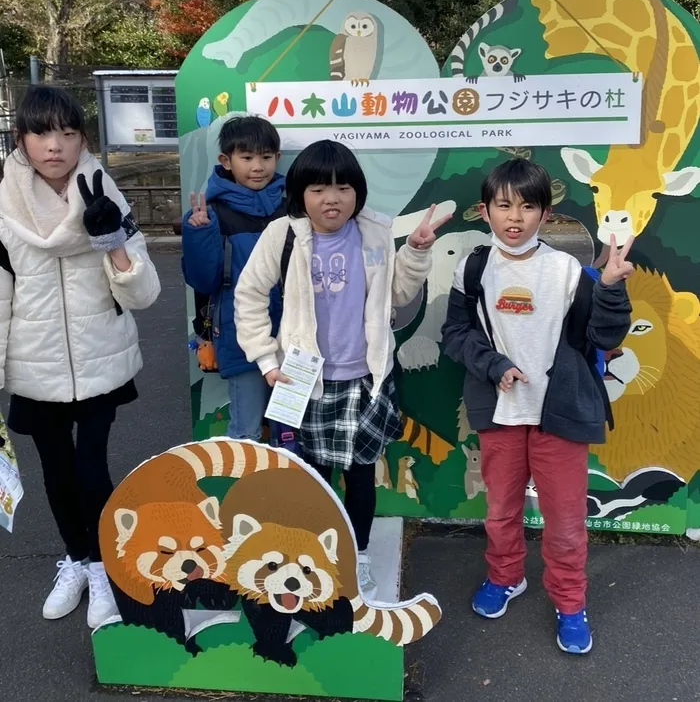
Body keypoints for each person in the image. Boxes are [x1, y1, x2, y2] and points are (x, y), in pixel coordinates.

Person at [234, 139, 450, 597]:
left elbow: (397, 294)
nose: (331, 198)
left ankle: (359, 555)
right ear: (299, 193)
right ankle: (311, 556)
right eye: (317, 188)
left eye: (343, 187)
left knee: (359, 474)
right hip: (301, 379)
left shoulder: (375, 232)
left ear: (358, 192)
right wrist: (267, 361)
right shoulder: (283, 235)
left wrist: (413, 252)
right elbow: (249, 295)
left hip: (364, 379)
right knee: (311, 477)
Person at [441, 158, 633, 654]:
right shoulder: (473, 267)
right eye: (504, 205)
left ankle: (571, 603)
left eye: (528, 206)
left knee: (566, 522)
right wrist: (493, 365)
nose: (515, 217)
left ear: (545, 215)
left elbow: (605, 337)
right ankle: (505, 577)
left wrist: (610, 288)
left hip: (559, 416)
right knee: (501, 510)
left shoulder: (568, 270)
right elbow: (455, 334)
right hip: (500, 414)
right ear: (485, 211)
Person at [0, 85, 160, 626]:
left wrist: (112, 240)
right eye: (42, 132)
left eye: (69, 133)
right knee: (57, 472)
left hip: (100, 360)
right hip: (34, 365)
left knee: (92, 469)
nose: (56, 145)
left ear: (82, 140)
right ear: (22, 139)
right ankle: (77, 559)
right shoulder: (2, 205)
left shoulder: (104, 192)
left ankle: (105, 570)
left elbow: (143, 294)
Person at [181, 116, 285, 441]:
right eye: (247, 157)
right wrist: (199, 234)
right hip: (241, 337)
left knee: (290, 433)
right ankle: (245, 492)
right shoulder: (211, 214)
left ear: (277, 158)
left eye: (266, 157)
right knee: (246, 432)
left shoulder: (293, 206)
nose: (258, 166)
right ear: (226, 161)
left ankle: (292, 492)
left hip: (293, 334)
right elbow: (203, 280)